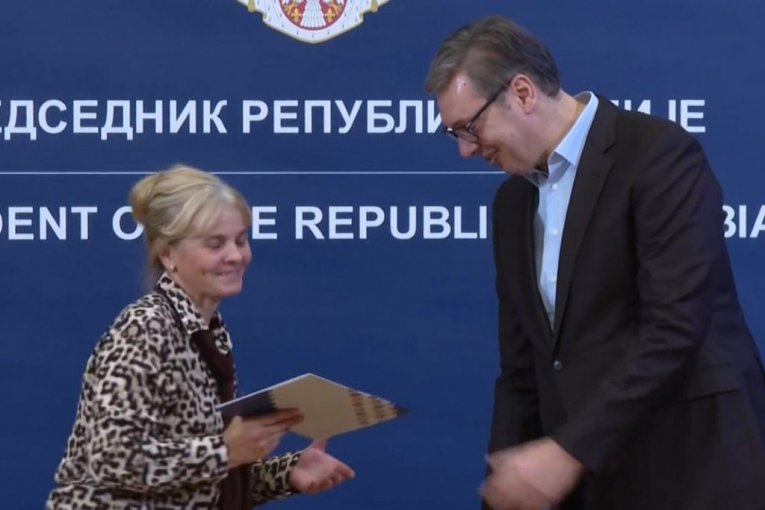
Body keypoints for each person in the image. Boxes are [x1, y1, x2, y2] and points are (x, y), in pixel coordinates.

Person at [426, 15, 765, 510]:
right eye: (454, 134)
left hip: (694, 467)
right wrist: (502, 494)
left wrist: (567, 452)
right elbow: (522, 372)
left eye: (469, 128)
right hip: (591, 482)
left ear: (522, 93)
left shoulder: (657, 155)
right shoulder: (511, 205)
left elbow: (675, 326)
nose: (464, 150)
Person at [47, 165, 355, 509]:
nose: (236, 256)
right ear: (168, 254)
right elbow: (111, 459)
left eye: (241, 240)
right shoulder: (146, 328)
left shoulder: (209, 334)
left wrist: (287, 473)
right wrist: (226, 450)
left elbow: (195, 481)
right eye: (215, 244)